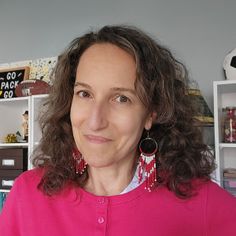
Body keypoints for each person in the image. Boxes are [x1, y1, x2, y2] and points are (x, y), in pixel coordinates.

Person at [0, 25, 236, 236]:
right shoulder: (27, 195)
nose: (95, 121)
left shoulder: (202, 204)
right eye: (85, 93)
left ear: (151, 113)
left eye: (121, 98)